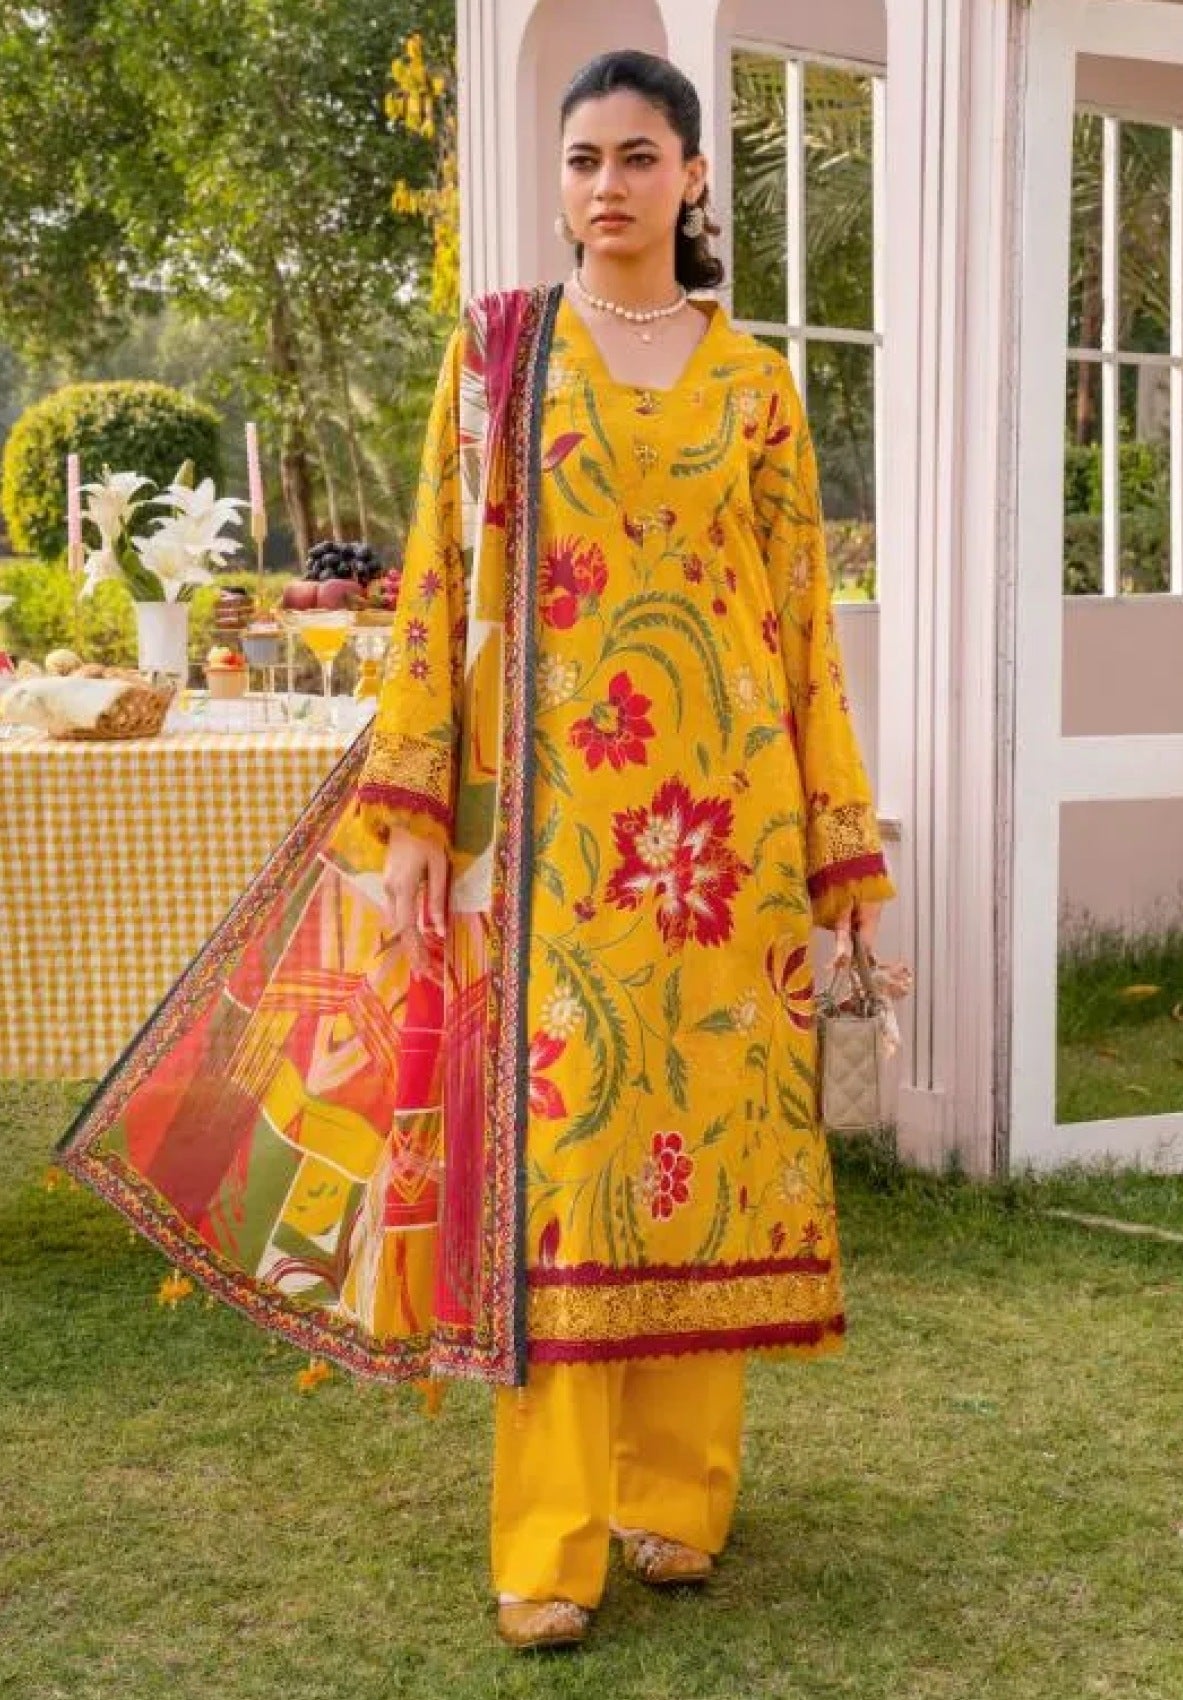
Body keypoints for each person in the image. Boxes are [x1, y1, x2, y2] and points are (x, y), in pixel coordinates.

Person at [59, 49, 895, 1653]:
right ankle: (551, 1544)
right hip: (560, 842)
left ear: (694, 177)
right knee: (563, 1173)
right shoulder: (501, 358)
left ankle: (677, 1498)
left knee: (705, 1159)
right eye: (583, 159)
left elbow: (803, 629)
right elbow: (439, 595)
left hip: (728, 843)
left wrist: (843, 857)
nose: (607, 186)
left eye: (638, 157)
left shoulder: (758, 388)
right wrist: (415, 815)